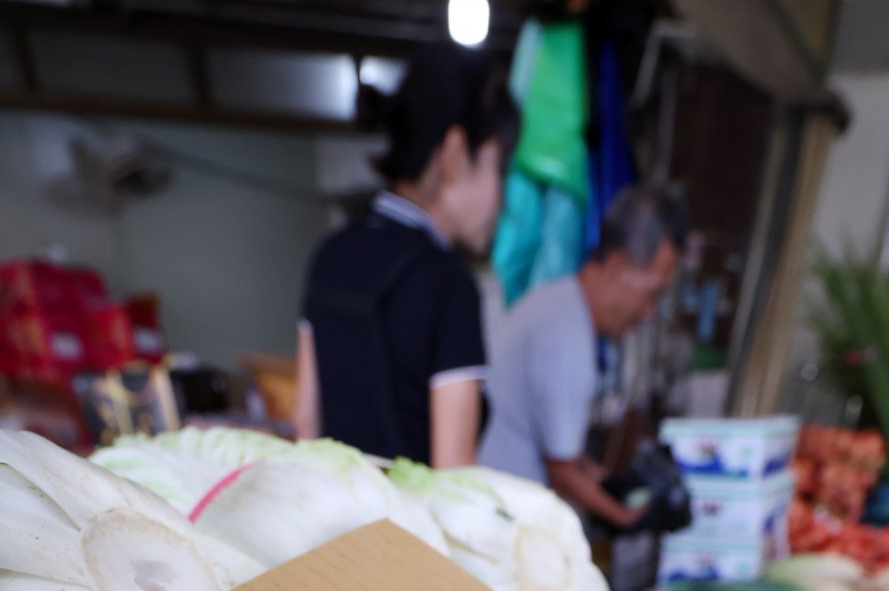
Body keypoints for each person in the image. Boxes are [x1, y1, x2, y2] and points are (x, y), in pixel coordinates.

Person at [294, 45, 518, 467]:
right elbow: (453, 476)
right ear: (454, 154)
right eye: (498, 168)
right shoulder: (449, 286)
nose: (502, 199)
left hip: (333, 525)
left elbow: (305, 423)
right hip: (408, 533)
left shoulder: (331, 254)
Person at [480, 183, 688, 528]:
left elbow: (563, 452)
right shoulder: (569, 339)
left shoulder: (555, 299)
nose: (648, 312)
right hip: (501, 519)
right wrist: (626, 517)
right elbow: (562, 470)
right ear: (619, 265)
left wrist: (601, 477)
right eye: (652, 294)